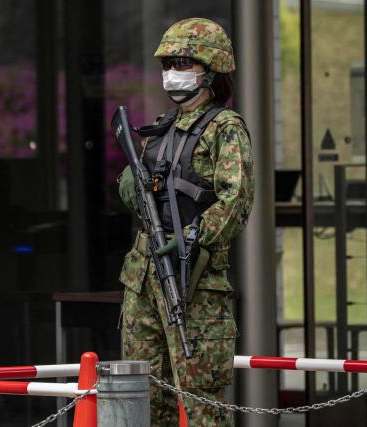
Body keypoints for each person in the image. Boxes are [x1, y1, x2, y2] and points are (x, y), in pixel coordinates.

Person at [117, 18, 254, 426]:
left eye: (183, 63)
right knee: (141, 395)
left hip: (192, 279)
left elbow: (237, 200)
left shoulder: (224, 128)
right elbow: (135, 196)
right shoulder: (160, 128)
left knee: (202, 406)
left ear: (211, 69)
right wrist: (131, 182)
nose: (171, 73)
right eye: (168, 64)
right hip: (143, 277)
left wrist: (192, 236)